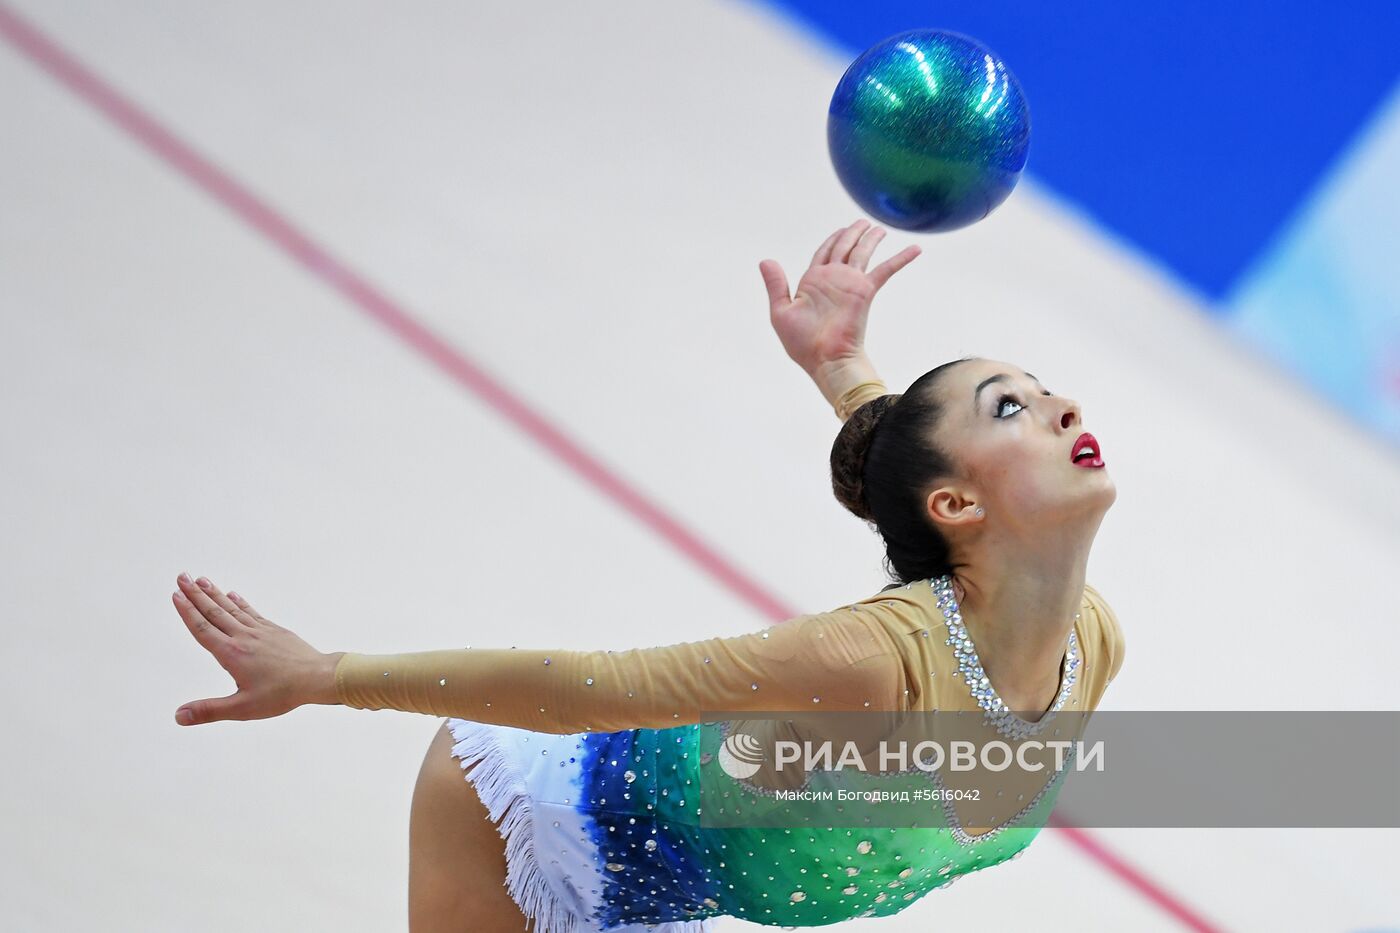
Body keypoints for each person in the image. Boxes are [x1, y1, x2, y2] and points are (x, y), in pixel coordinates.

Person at [170, 220, 1124, 932]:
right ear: (956, 506)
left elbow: (920, 481)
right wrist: (325, 674)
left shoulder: (1092, 646)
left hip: (670, 884)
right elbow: (597, 688)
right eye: (1016, 405)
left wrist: (845, 368)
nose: (1063, 403)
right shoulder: (871, 662)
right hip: (527, 819)